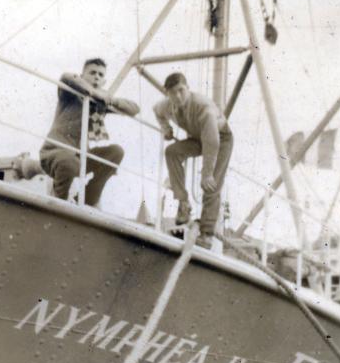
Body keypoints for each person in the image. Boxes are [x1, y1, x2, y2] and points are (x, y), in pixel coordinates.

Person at [40, 58, 139, 206]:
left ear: (104, 81)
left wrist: (110, 100)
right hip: (55, 152)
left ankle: (88, 198)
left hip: (81, 157)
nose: (96, 77)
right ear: (82, 76)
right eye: (92, 72)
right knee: (69, 162)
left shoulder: (100, 103)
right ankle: (59, 205)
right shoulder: (70, 94)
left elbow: (134, 109)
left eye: (100, 74)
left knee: (116, 152)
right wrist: (92, 92)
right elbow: (66, 77)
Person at [154, 72, 233, 245]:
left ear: (188, 88)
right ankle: (183, 203)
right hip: (197, 138)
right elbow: (156, 111)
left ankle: (206, 234)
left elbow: (211, 142)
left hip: (220, 138)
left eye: (181, 90)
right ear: (167, 94)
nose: (178, 96)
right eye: (173, 92)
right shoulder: (167, 106)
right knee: (172, 152)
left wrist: (207, 173)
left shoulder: (203, 107)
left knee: (211, 184)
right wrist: (166, 128)